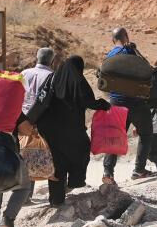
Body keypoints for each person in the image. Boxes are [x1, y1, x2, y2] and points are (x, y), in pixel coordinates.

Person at [0, 47, 53, 227]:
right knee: (25, 184)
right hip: (9, 148)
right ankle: (8, 218)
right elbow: (25, 128)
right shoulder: (13, 111)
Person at [35, 56, 110, 206]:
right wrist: (103, 105)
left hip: (52, 131)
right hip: (73, 131)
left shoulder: (52, 79)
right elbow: (87, 101)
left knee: (58, 164)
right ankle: (75, 181)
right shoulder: (78, 81)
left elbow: (40, 100)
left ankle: (56, 200)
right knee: (81, 151)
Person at [102, 27, 154, 185]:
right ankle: (139, 169)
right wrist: (134, 49)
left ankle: (108, 173)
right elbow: (146, 69)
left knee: (115, 138)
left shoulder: (110, 55)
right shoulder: (130, 51)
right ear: (126, 37)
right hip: (136, 102)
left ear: (113, 40)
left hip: (116, 102)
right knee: (146, 133)